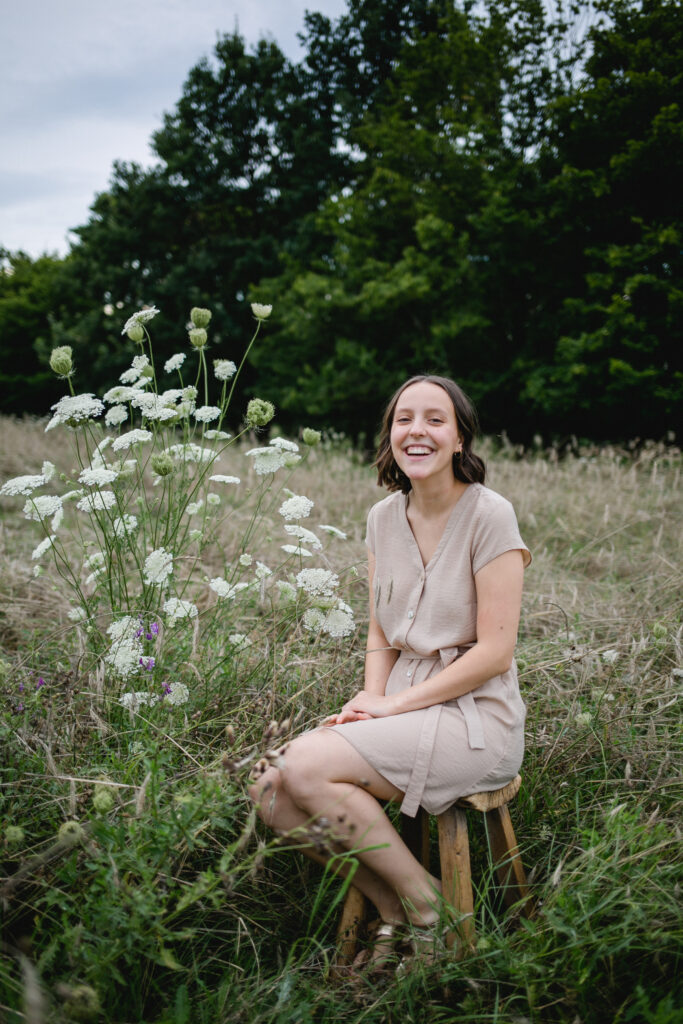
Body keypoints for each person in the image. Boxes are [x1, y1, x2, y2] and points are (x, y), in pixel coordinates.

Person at [248, 374, 530, 964]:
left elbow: (495, 653)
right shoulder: (382, 518)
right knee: (268, 786)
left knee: (304, 766)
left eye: (435, 419)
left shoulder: (490, 515)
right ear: (390, 435)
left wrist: (392, 707)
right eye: (405, 419)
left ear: (459, 438)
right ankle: (395, 904)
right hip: (400, 707)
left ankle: (432, 906)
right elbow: (380, 627)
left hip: (475, 721)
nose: (417, 431)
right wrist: (368, 703)